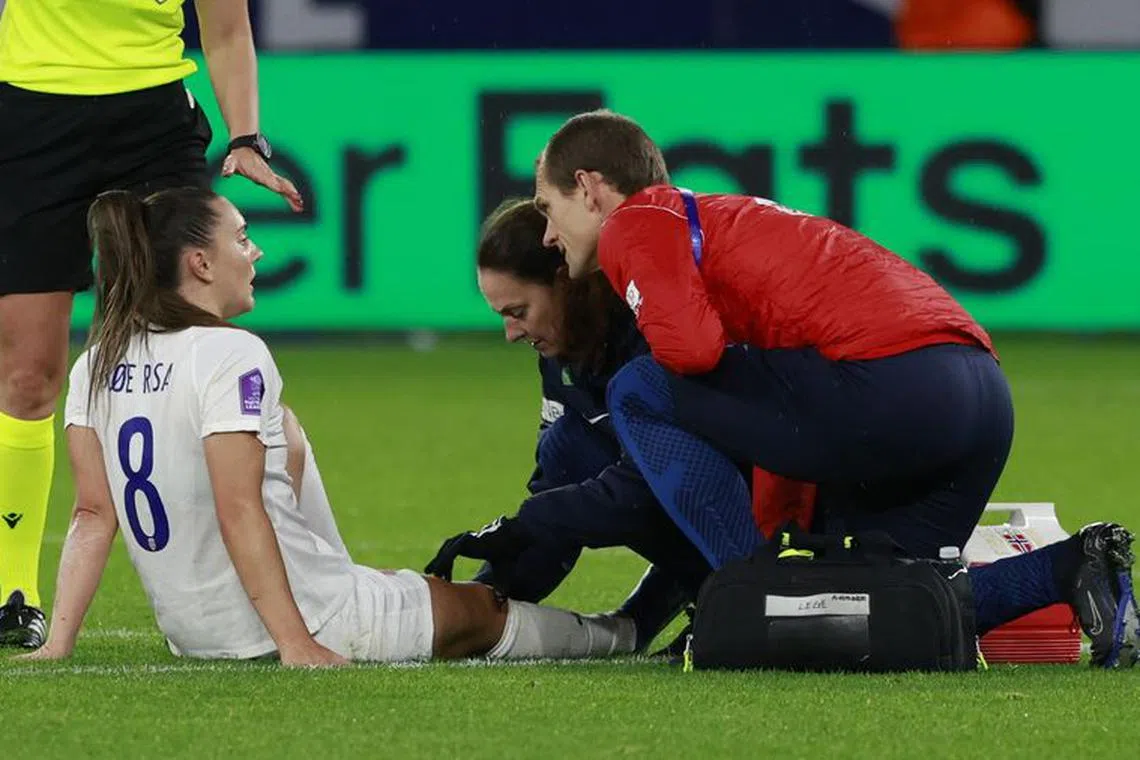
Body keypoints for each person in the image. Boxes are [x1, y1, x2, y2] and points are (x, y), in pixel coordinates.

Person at [528, 108, 1140, 667]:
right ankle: (1074, 567)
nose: (549, 236)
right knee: (885, 599)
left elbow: (693, 350)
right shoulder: (727, 220)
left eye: (547, 209)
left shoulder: (635, 223)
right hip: (978, 393)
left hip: (889, 384)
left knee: (638, 387)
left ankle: (742, 597)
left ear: (588, 188)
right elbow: (773, 393)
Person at [15, 188, 636, 667]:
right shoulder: (231, 354)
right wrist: (295, 642)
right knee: (485, 612)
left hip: (194, 635)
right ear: (201, 263)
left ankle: (346, 579)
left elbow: (93, 515)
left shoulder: (96, 362)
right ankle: (624, 633)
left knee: (282, 429)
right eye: (242, 237)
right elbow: (239, 510)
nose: (255, 250)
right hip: (306, 618)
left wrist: (58, 643)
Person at [0, 0, 302, 648]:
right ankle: (12, 592)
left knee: (194, 342)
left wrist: (244, 136)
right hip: (29, 116)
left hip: (152, 123)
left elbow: (226, 30)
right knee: (27, 375)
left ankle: (256, 578)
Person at [426, 199, 707, 652]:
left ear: (563, 284)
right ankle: (670, 604)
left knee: (587, 458)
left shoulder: (651, 329)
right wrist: (486, 594)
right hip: (681, 499)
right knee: (565, 448)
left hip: (763, 515)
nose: (510, 333)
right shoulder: (560, 356)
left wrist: (529, 523)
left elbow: (649, 483)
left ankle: (722, 589)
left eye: (517, 311)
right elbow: (557, 493)